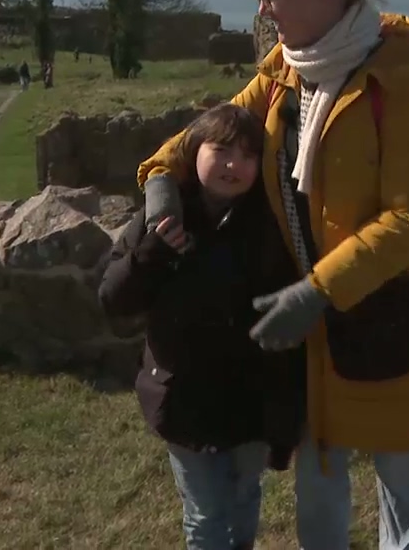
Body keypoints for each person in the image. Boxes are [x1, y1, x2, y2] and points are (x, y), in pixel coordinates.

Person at [135, 0, 409, 550]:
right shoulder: (289, 71)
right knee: (321, 481)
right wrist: (160, 182)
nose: (263, 10)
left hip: (390, 311)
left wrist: (316, 291)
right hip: (311, 320)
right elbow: (211, 132)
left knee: (402, 487)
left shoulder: (399, 90)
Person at [98, 104, 305, 550]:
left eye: (249, 155)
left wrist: (287, 415)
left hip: (252, 401)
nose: (234, 165)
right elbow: (114, 299)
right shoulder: (164, 219)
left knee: (245, 496)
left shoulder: (273, 225)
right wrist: (153, 251)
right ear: (193, 152)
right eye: (221, 150)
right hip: (186, 401)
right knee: (207, 515)